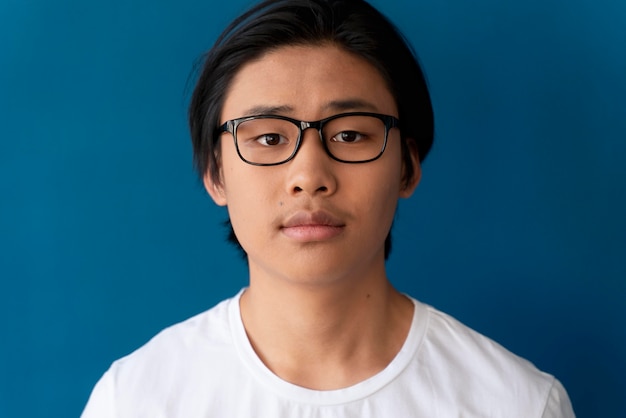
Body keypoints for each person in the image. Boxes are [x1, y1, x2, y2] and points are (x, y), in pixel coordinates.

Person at [82, 0, 576, 416]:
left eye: (350, 134)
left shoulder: (517, 404)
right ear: (215, 174)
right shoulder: (137, 399)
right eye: (270, 138)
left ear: (407, 165)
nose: (309, 177)